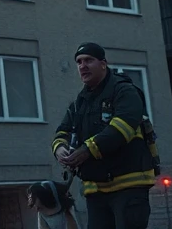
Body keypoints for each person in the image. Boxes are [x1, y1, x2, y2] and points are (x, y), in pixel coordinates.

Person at [52, 42, 156, 229]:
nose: (83, 66)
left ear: (103, 64)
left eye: (88, 60)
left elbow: (121, 129)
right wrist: (60, 148)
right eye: (79, 62)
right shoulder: (79, 103)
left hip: (129, 185)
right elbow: (63, 130)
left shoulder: (124, 91)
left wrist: (86, 150)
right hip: (96, 190)